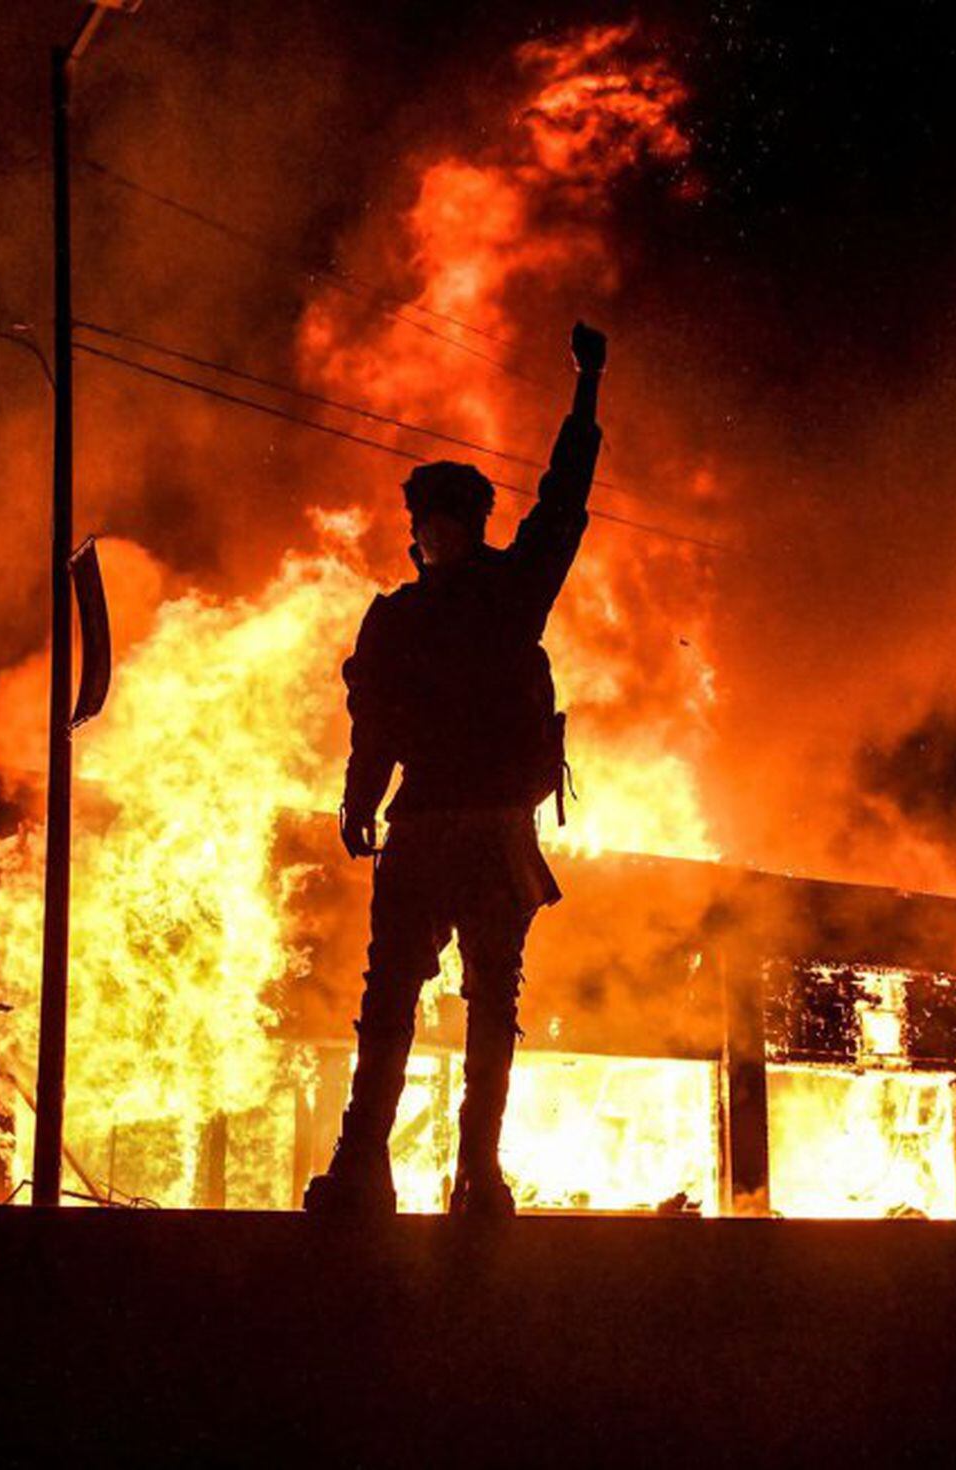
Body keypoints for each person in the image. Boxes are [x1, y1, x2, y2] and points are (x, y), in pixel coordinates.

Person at [303, 321, 607, 1219]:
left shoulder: (400, 617)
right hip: (480, 834)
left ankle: (374, 1169)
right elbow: (563, 500)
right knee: (480, 1008)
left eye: (434, 521)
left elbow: (375, 725)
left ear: (430, 533)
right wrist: (587, 383)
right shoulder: (510, 592)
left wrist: (362, 803)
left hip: (435, 829)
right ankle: (470, 1174)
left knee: (396, 1000)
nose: (431, 534)